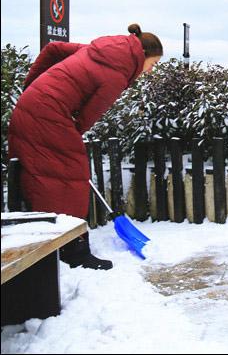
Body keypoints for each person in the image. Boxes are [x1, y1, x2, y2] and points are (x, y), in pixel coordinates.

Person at [8, 24, 163, 270]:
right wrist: (71, 131)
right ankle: (74, 252)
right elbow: (89, 116)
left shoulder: (99, 50)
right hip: (47, 114)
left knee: (45, 174)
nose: (150, 71)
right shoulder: (117, 74)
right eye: (153, 64)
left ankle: (55, 244)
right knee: (72, 174)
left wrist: (31, 87)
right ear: (142, 55)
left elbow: (53, 49)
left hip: (34, 105)